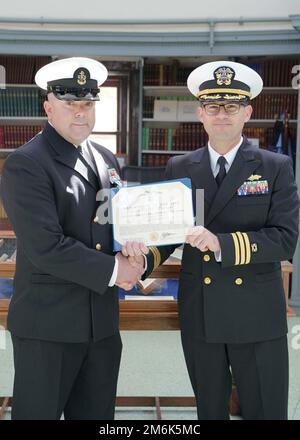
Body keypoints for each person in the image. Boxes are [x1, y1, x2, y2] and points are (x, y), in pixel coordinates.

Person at [122, 61, 300, 420]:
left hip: (255, 313)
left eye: (231, 106)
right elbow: (169, 236)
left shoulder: (274, 166)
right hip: (201, 310)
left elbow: (284, 239)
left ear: (247, 112)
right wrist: (142, 257)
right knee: (210, 410)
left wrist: (221, 244)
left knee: (265, 409)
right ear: (201, 113)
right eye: (214, 107)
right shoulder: (180, 166)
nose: (223, 114)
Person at [0, 57, 143, 420]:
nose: (81, 113)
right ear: (49, 107)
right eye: (69, 103)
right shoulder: (27, 163)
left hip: (101, 325)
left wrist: (137, 250)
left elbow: (118, 224)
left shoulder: (106, 157)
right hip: (49, 328)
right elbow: (46, 247)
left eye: (88, 103)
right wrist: (116, 270)